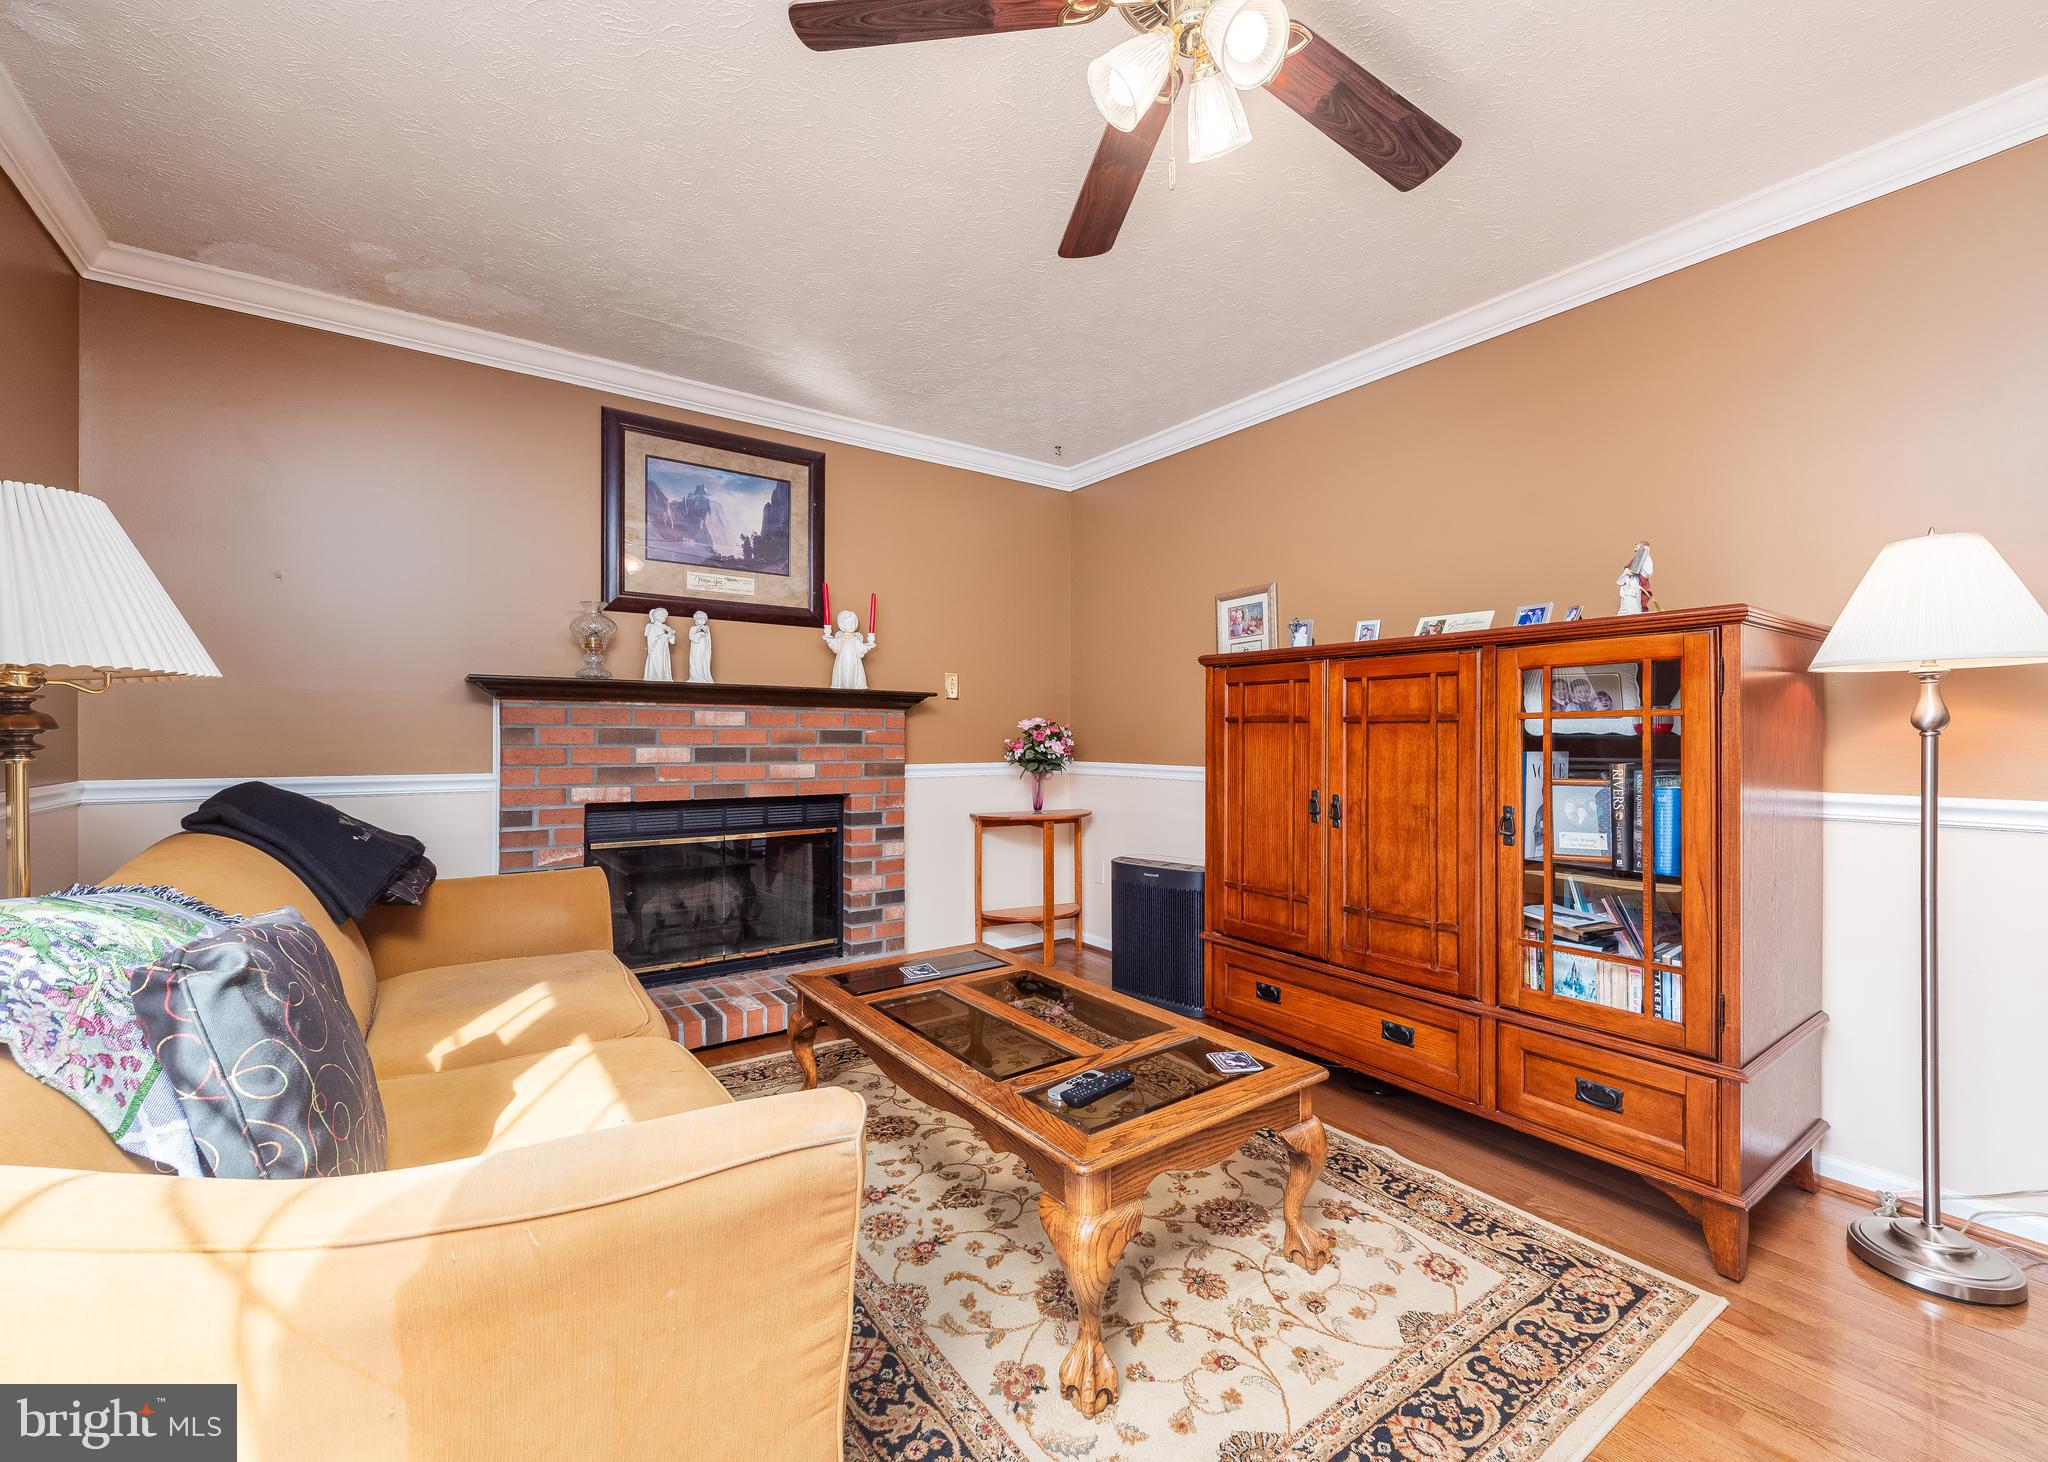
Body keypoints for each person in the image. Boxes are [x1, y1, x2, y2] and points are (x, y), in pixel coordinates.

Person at [823, 610, 875, 690]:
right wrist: (829, 641)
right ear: (841, 625)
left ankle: (854, 686)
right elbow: (836, 647)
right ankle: (842, 686)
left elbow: (861, 649)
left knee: (853, 673)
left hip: (854, 663)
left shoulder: (856, 639)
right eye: (848, 623)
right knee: (843, 674)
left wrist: (868, 647)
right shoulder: (841, 639)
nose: (851, 625)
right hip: (842, 662)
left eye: (853, 623)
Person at [642, 607, 675, 681]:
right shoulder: (652, 627)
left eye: (665, 616)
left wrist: (670, 635)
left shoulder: (665, 627)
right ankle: (655, 678)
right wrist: (661, 636)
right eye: (662, 616)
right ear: (657, 616)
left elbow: (672, 641)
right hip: (656, 650)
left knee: (664, 663)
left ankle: (664, 678)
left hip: (664, 649)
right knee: (657, 663)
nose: (664, 618)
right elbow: (651, 641)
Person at [686, 610, 713, 683]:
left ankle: (704, 676)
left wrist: (707, 648)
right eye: (699, 619)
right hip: (696, 648)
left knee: (703, 661)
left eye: (703, 619)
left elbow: (708, 639)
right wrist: (699, 634)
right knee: (696, 660)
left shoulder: (706, 628)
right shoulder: (693, 628)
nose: (701, 621)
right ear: (696, 620)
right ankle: (695, 676)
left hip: (704, 647)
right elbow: (691, 637)